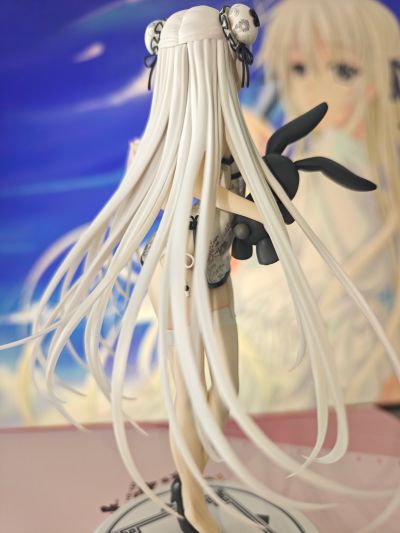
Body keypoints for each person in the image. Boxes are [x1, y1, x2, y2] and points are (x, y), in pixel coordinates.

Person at [1, 5, 399, 532]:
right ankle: (193, 503)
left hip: (215, 266)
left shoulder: (232, 132)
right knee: (187, 396)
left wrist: (266, 193)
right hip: (180, 271)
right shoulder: (183, 137)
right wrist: (257, 207)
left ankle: (195, 475)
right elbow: (197, 185)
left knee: (226, 388)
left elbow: (241, 185)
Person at [236, 0, 400, 411]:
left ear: (377, 80)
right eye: (299, 68)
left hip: (317, 351)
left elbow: (334, 268)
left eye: (343, 70)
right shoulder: (314, 159)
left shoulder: (339, 165)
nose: (314, 88)